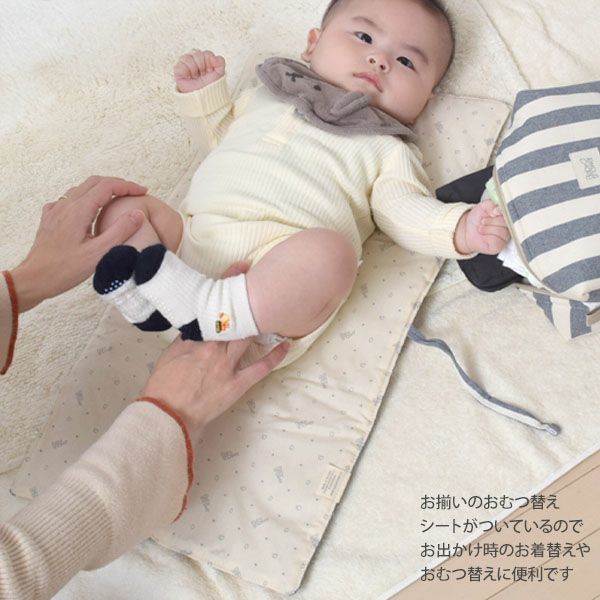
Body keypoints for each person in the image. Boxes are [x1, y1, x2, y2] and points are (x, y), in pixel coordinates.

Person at [91, 0, 511, 369]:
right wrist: (205, 96)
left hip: (268, 293)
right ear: (312, 43)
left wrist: (461, 228)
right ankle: (148, 299)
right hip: (185, 252)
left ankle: (207, 309)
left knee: (331, 255)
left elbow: (404, 211)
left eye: (406, 62)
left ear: (425, 100)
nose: (379, 59)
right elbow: (219, 141)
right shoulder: (267, 94)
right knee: (123, 206)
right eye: (365, 36)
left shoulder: (387, 147)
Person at [0, 176, 289, 599]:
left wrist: (22, 285)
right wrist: (169, 413)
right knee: (325, 257)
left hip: (188, 267)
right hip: (242, 300)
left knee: (125, 213)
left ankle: (151, 303)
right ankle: (179, 303)